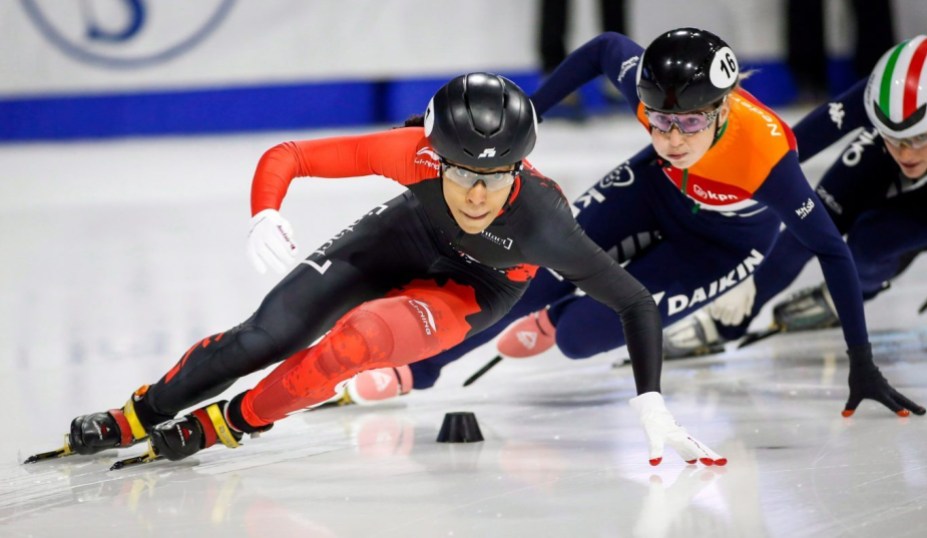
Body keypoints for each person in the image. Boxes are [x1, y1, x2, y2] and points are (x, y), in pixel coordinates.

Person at [39, 73, 722, 467]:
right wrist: (264, 213)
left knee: (358, 340)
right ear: (434, 156)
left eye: (495, 175)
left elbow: (633, 302)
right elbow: (290, 156)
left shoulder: (544, 222)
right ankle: (141, 412)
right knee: (263, 335)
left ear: (520, 167)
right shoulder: (411, 154)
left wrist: (649, 400)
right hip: (397, 239)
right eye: (461, 172)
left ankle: (233, 421)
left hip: (471, 289)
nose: (478, 194)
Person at [350, 28, 924, 419]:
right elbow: (603, 48)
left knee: (579, 336)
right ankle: (420, 369)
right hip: (653, 189)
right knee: (524, 273)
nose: (672, 138)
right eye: (658, 120)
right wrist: (530, 115)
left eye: (691, 123)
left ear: (723, 110)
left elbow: (831, 249)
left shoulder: (767, 158)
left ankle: (559, 321)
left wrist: (862, 362)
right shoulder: (658, 105)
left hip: (722, 245)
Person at [668, 36, 927, 357]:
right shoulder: (880, 97)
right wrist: (745, 267)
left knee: (875, 244)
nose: (905, 152)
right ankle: (724, 323)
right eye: (892, 135)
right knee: (822, 216)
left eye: (919, 138)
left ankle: (855, 290)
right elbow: (788, 151)